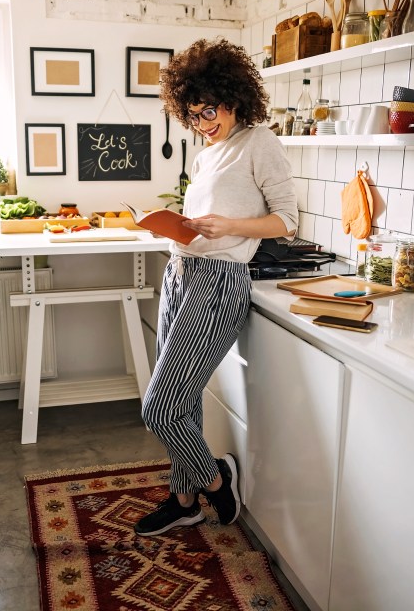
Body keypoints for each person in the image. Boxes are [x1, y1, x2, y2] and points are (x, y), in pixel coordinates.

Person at [134, 38, 298, 536]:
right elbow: (204, 221)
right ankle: (184, 500)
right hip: (180, 274)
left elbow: (287, 220)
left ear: (233, 96)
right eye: (192, 115)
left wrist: (229, 226)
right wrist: (177, 227)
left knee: (158, 406)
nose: (204, 123)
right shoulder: (207, 155)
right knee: (179, 404)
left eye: (210, 111)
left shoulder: (260, 142)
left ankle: (213, 478)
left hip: (219, 283)